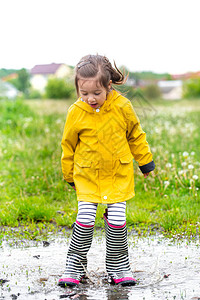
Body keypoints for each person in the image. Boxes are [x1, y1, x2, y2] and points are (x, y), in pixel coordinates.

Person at [58, 54, 155, 287]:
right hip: (87, 176)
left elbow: (135, 135)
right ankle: (75, 265)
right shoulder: (76, 112)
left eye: (96, 93)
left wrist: (145, 162)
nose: (90, 99)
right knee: (85, 218)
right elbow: (68, 145)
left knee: (118, 218)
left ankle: (118, 265)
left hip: (117, 175)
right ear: (78, 89)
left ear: (108, 85)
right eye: (84, 93)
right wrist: (68, 174)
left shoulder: (123, 106)